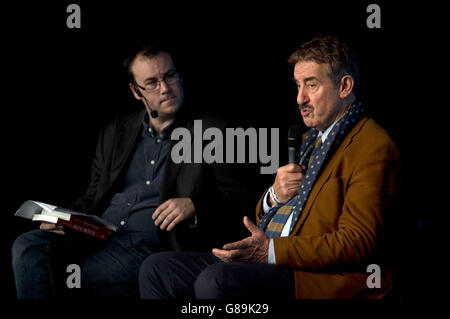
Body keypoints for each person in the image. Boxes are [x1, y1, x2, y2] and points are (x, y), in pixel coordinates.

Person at [138, 35, 400, 299]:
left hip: (313, 276)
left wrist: (271, 251)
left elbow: (358, 242)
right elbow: (268, 215)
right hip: (273, 260)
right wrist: (274, 194)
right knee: (157, 268)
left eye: (312, 85)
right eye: (298, 85)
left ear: (344, 86)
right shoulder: (311, 140)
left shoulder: (372, 146)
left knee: (216, 280)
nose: (300, 99)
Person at [11, 40, 255, 298]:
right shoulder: (115, 133)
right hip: (96, 237)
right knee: (28, 245)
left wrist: (195, 204)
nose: (165, 89)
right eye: (152, 83)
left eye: (170, 76)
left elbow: (242, 199)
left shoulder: (213, 131)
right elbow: (93, 197)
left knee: (74, 276)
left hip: (150, 246)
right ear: (136, 91)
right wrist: (63, 220)